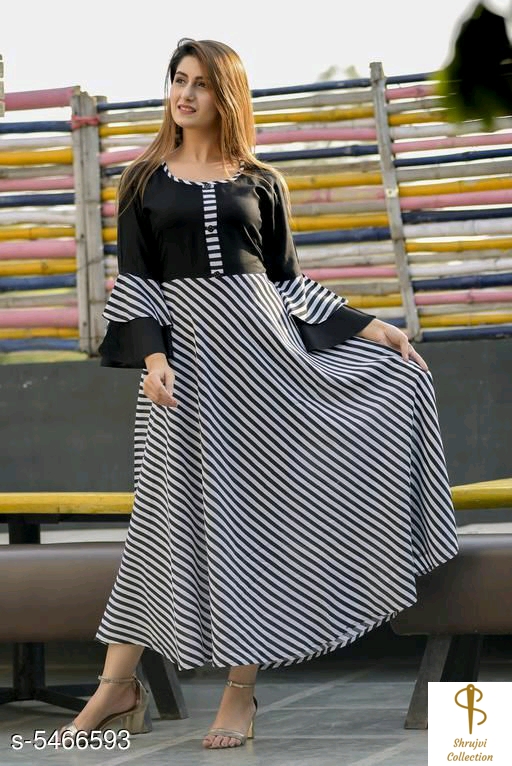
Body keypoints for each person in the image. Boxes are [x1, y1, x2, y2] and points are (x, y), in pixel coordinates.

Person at [59, 37, 460, 750]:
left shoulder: (263, 180)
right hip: (184, 376)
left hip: (267, 370)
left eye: (201, 84)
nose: (184, 95)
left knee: (256, 525)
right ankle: (116, 688)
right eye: (178, 80)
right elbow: (138, 283)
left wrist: (371, 327)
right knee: (158, 524)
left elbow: (285, 283)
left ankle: (239, 695)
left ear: (227, 97)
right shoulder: (141, 180)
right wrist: (153, 358)